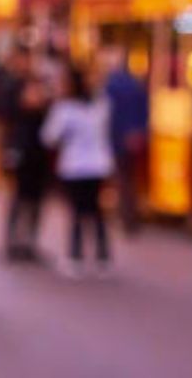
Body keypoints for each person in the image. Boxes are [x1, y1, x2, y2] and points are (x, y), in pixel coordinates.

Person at [42, 65, 114, 279]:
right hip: (99, 164)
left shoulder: (64, 109)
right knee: (96, 210)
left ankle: (76, 255)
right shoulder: (101, 105)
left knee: (76, 211)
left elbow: (49, 137)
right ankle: (102, 255)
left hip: (74, 165)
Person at [3, 72, 52, 262]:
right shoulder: (17, 116)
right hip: (22, 166)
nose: (35, 96)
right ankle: (13, 241)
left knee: (35, 205)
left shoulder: (45, 116)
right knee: (19, 202)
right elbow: (10, 139)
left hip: (39, 166)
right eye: (31, 92)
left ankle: (30, 242)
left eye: (38, 92)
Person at [103, 48, 149, 234]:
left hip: (117, 138)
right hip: (134, 137)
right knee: (131, 179)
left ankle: (125, 216)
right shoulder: (136, 84)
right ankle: (132, 216)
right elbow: (145, 110)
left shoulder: (110, 86)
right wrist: (139, 131)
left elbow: (109, 114)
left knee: (121, 179)